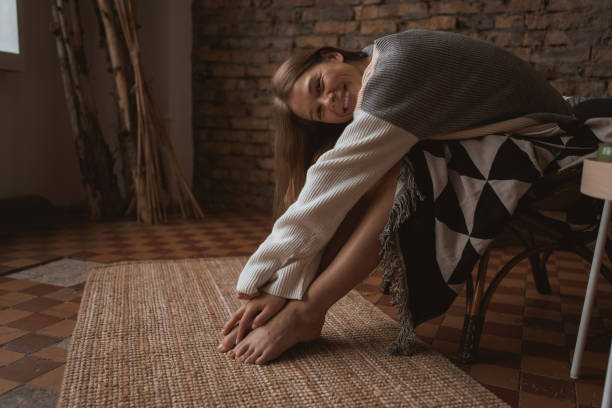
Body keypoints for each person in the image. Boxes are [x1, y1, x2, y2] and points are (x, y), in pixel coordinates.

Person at [216, 29, 575, 365]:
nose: (330, 101)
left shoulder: (394, 72)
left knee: (400, 176)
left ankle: (306, 312)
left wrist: (261, 276)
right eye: (319, 111)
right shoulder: (379, 59)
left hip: (545, 134)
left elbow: (325, 190)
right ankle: (298, 303)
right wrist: (282, 287)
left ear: (332, 55)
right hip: (497, 132)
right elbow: (334, 194)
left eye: (318, 85)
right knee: (375, 174)